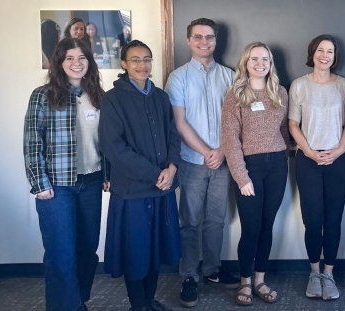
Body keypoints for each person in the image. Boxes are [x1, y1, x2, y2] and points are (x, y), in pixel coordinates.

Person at [99, 40, 182, 311]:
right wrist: (156, 173)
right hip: (132, 191)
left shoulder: (160, 97)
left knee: (155, 250)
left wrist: (172, 168)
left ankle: (148, 300)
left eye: (147, 59)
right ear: (123, 64)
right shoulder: (112, 99)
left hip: (162, 188)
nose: (142, 65)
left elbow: (172, 135)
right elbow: (114, 147)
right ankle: (138, 305)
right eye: (135, 59)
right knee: (136, 253)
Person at [24, 37, 105, 311]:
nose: (76, 63)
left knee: (87, 250)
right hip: (56, 187)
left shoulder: (97, 96)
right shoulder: (42, 95)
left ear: (89, 62)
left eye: (82, 57)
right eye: (69, 58)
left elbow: (105, 140)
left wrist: (108, 172)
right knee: (61, 254)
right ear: (59, 63)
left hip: (91, 181)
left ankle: (77, 302)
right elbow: (32, 142)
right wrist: (38, 183)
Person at [163, 17, 239, 308]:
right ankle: (190, 276)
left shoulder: (230, 77)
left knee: (216, 220)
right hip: (192, 161)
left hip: (223, 159)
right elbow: (180, 123)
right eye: (198, 37)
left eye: (209, 37)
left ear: (216, 41)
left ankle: (212, 270)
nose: (203, 42)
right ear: (188, 40)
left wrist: (221, 151)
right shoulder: (178, 77)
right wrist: (209, 151)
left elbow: (236, 121)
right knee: (190, 221)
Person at [220, 42, 290, 306]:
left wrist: (288, 152)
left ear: (270, 63)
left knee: (267, 225)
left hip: (277, 166)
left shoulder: (280, 92)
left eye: (265, 59)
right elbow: (230, 139)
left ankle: (260, 280)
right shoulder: (235, 94)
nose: (260, 63)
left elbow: (283, 130)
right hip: (249, 167)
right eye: (254, 59)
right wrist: (242, 177)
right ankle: (245, 282)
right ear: (245, 63)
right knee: (251, 227)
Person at [288, 34, 345, 301]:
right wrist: (309, 152)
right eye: (320, 50)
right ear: (312, 53)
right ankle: (314, 272)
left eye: (330, 51)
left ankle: (329, 273)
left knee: (334, 219)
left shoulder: (344, 85)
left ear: (335, 57)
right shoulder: (299, 85)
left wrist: (337, 151)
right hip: (308, 160)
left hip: (339, 160)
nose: (324, 55)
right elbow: (293, 124)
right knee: (313, 220)